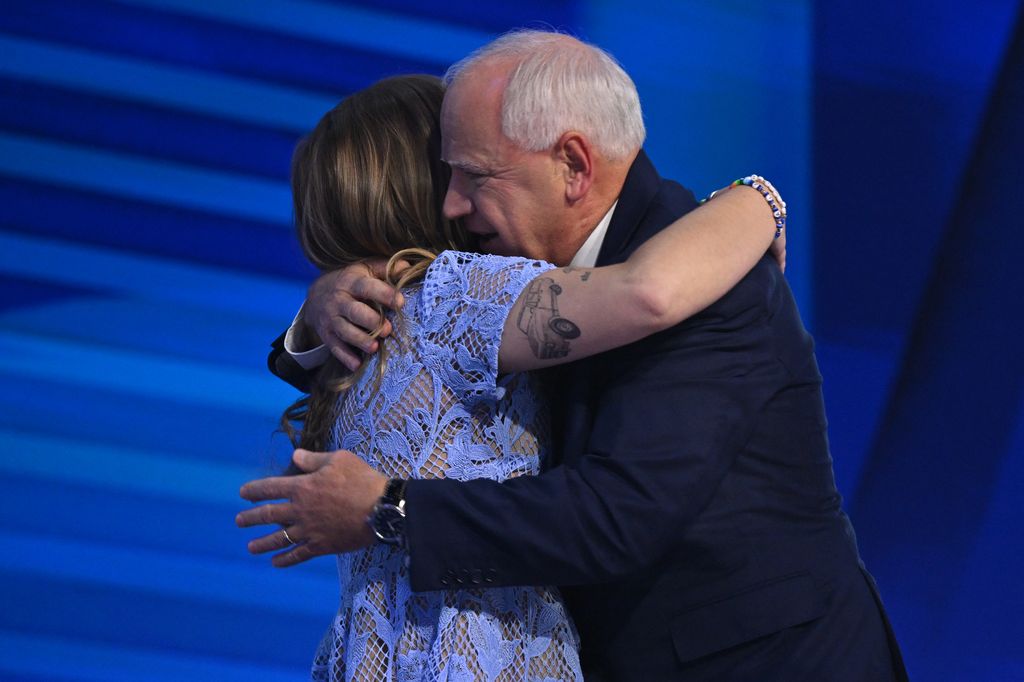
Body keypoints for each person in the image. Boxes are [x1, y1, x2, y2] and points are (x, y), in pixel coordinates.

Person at [241, 31, 907, 681]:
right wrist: (322, 304)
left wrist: (390, 508)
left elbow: (617, 513)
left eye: (472, 175)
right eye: (445, 176)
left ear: (574, 165)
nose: (454, 204)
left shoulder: (707, 281)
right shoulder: (492, 283)